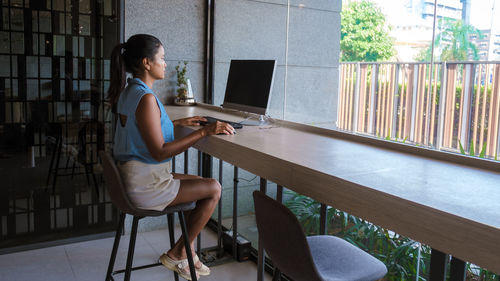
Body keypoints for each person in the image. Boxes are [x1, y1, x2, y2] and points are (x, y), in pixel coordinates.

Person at [108, 34, 234, 280]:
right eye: (162, 58)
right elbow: (159, 151)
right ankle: (178, 254)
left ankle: (189, 252)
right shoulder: (145, 98)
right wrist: (204, 131)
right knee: (213, 188)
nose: (165, 63)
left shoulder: (130, 91)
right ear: (146, 63)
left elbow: (142, 128)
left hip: (133, 178)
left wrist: (176, 123)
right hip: (145, 185)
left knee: (199, 183)